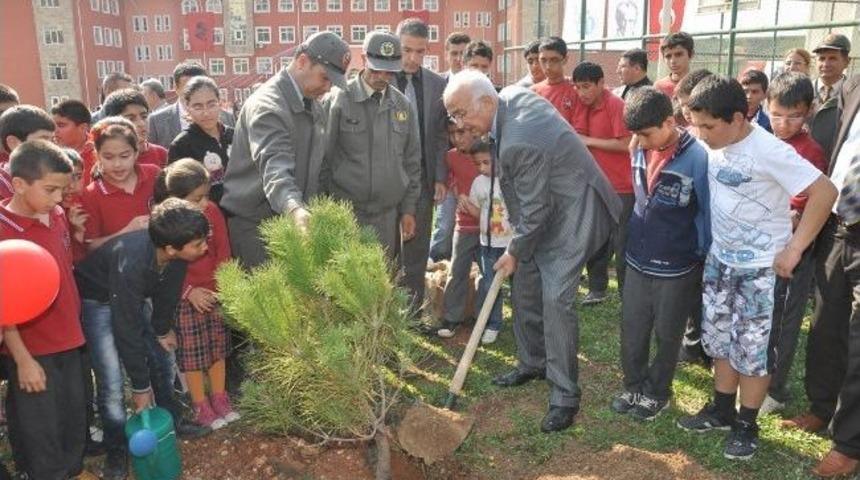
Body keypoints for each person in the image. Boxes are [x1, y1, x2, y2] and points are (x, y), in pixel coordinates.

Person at [444, 70, 622, 432]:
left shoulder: (519, 140)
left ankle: (564, 395)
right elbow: (533, 205)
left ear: (487, 102)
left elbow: (536, 210)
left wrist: (514, 249)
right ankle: (533, 362)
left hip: (575, 210)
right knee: (525, 281)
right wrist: (519, 250)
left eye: (461, 113)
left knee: (555, 297)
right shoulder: (508, 98)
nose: (459, 124)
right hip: (543, 206)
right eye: (453, 116)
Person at [676, 75, 836, 461]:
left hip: (762, 271)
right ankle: (721, 410)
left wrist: (794, 249)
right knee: (720, 340)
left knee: (753, 351)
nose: (701, 134)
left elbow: (825, 192)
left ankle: (747, 423)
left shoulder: (768, 149)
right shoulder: (711, 139)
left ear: (737, 118)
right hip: (721, 261)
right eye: (697, 125)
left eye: (709, 127)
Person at [74, 198, 212, 479]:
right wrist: (139, 387)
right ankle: (117, 448)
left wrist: (162, 330)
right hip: (97, 300)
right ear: (171, 248)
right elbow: (127, 328)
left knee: (161, 358)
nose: (205, 248)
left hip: (130, 295)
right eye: (198, 244)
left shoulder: (175, 256)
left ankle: (172, 420)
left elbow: (167, 294)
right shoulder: (133, 261)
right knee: (112, 380)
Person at [610, 87, 711, 421]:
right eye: (635, 134)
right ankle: (633, 385)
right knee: (632, 329)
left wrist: (701, 252)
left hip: (677, 265)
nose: (640, 141)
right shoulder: (639, 146)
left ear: (669, 122)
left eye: (645, 134)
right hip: (638, 259)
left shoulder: (698, 158)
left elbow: (706, 211)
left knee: (668, 335)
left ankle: (657, 392)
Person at [221, 31, 350, 269]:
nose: (328, 87)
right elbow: (275, 168)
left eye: (332, 81)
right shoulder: (268, 107)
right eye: (324, 78)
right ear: (302, 62)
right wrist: (295, 208)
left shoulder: (313, 106)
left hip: (295, 220)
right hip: (258, 226)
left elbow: (319, 167)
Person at [784, 72, 860, 477]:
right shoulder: (853, 86)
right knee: (826, 324)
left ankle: (849, 444)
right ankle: (821, 407)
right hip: (837, 223)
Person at [0, 140, 90, 479]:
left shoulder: (56, 214)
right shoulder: (4, 229)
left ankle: (73, 469)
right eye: (50, 190)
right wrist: (23, 359)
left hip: (70, 335)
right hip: (33, 348)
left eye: (62, 189)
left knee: (74, 412)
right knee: (40, 426)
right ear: (19, 184)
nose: (58, 198)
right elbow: (4, 302)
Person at [756, 72, 826, 415]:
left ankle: (775, 389)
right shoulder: (765, 141)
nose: (783, 124)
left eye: (793, 116)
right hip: (764, 247)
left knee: (784, 320)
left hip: (794, 252)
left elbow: (802, 207)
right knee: (765, 317)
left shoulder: (810, 151)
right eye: (777, 115)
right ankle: (758, 377)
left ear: (809, 111)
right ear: (766, 107)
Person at [153, 159, 239, 430]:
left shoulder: (213, 211)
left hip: (214, 293)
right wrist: (188, 292)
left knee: (218, 347)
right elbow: (165, 269)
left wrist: (222, 285)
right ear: (175, 198)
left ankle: (220, 396)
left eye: (206, 196)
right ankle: (200, 403)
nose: (204, 203)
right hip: (186, 299)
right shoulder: (166, 222)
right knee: (193, 353)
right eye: (196, 198)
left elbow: (223, 250)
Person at [322, 31, 421, 257]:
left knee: (381, 276)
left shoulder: (402, 106)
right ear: (364, 59)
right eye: (376, 69)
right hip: (345, 214)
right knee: (346, 276)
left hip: (386, 217)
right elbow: (322, 159)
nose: (382, 77)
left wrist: (408, 209)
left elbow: (412, 162)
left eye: (389, 71)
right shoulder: (339, 100)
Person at [394, 18, 450, 312]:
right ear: (396, 46)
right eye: (407, 50)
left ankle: (413, 314)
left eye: (420, 51)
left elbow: (441, 135)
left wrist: (440, 176)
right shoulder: (381, 78)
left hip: (423, 182)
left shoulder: (437, 84)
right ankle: (384, 316)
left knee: (416, 252)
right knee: (388, 251)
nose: (413, 58)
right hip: (386, 182)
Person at [571, 62, 634, 305]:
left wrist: (589, 141)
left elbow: (626, 144)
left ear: (601, 83)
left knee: (622, 243)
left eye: (586, 86)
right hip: (595, 184)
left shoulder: (615, 104)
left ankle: (627, 296)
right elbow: (577, 135)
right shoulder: (583, 104)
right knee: (595, 238)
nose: (581, 92)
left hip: (622, 186)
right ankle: (597, 289)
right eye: (578, 87)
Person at [79, 117, 159, 252]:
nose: (117, 164)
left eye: (124, 156)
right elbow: (91, 247)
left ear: (136, 153)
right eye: (108, 157)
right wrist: (128, 231)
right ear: (97, 156)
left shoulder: (154, 174)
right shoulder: (91, 195)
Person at [465, 139, 514, 344]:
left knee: (520, 286)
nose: (482, 168)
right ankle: (493, 324)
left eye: (486, 162)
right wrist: (467, 206)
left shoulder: (510, 181)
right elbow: (479, 212)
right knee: (489, 285)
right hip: (488, 244)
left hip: (511, 245)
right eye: (478, 164)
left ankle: (523, 322)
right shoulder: (478, 183)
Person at [436, 122, 481, 340]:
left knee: (488, 274)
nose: (457, 138)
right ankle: (451, 318)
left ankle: (486, 319)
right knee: (457, 270)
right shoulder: (451, 156)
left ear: (474, 131)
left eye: (461, 132)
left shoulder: (487, 154)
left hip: (489, 227)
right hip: (463, 224)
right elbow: (451, 179)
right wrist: (455, 189)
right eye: (452, 133)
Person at [167, 76, 233, 204]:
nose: (206, 113)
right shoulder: (181, 145)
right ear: (187, 107)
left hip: (242, 210)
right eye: (198, 107)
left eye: (211, 104)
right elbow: (178, 194)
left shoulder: (235, 135)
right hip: (205, 211)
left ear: (220, 103)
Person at [147, 63, 234, 149]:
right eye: (189, 88)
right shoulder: (156, 121)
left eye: (199, 87)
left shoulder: (227, 118)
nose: (195, 93)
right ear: (176, 88)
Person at [101, 88, 169, 169]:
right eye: (131, 119)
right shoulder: (105, 160)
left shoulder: (162, 155)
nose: (141, 124)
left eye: (144, 117)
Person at [809, 34, 852, 161]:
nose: (825, 64)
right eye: (821, 58)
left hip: (838, 162)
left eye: (833, 58)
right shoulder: (803, 89)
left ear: (847, 62)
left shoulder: (854, 95)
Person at [0, 105, 56, 200]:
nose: (53, 148)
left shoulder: (52, 178)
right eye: (43, 140)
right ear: (14, 143)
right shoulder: (3, 187)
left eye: (53, 140)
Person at [531, 36, 580, 129]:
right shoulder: (533, 92)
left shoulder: (577, 89)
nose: (548, 66)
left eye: (554, 60)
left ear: (565, 59)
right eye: (543, 60)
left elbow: (579, 131)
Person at [51, 100, 97, 184]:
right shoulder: (48, 155)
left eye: (61, 125)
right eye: (53, 126)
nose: (55, 131)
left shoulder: (101, 153)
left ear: (83, 128)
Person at [654, 32, 694, 98]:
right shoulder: (659, 87)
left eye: (678, 54)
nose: (673, 61)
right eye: (668, 56)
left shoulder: (701, 85)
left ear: (691, 54)